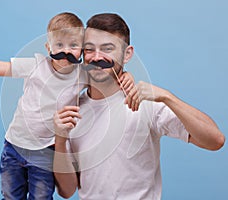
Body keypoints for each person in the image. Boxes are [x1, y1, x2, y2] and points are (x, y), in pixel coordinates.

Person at [0, 12, 134, 200]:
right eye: (59, 45)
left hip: (46, 151)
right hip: (15, 145)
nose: (66, 51)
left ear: (82, 50)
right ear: (48, 47)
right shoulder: (36, 65)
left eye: (73, 46)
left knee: (41, 197)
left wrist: (127, 76)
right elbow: (1, 67)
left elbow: (107, 76)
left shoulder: (82, 74)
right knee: (10, 195)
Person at [53, 13, 225, 200]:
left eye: (107, 48)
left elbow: (215, 140)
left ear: (127, 54)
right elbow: (67, 191)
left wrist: (167, 97)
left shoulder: (146, 105)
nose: (96, 57)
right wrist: (60, 139)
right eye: (89, 49)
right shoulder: (72, 111)